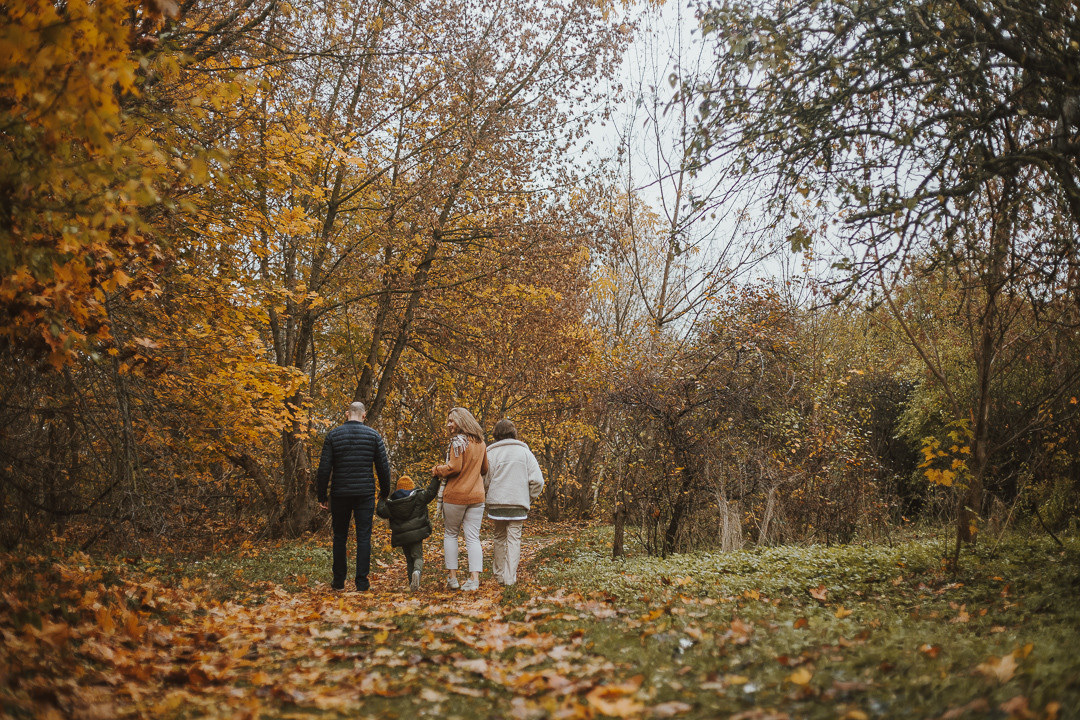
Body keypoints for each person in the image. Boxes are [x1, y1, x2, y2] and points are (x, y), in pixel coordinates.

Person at [315, 401, 391, 591]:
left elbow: (324, 468)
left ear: (347, 414)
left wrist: (322, 495)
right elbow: (383, 467)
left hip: (340, 493)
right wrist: (384, 491)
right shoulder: (373, 435)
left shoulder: (334, 435)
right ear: (364, 416)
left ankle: (339, 582)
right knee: (364, 536)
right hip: (365, 493)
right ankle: (362, 583)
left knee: (339, 536)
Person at [431, 407, 488, 591]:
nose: (448, 425)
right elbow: (485, 469)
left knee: (451, 534)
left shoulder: (458, 442)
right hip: (477, 496)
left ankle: (453, 578)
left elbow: (454, 467)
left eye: (451, 421)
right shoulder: (480, 442)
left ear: (461, 422)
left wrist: (438, 469)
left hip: (455, 496)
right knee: (473, 538)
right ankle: (474, 579)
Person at [484, 419, 545, 586]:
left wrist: (488, 493)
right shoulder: (525, 453)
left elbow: (485, 480)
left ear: (496, 434)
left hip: (497, 503)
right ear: (513, 433)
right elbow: (538, 481)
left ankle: (498, 575)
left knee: (499, 537)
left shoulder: (491, 454)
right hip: (518, 503)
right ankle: (510, 579)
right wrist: (529, 497)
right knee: (514, 539)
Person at [376, 474, 441, 591]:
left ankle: (412, 583)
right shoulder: (418, 497)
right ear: (411, 487)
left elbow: (381, 511)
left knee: (409, 559)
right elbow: (430, 493)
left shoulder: (392, 504)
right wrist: (435, 478)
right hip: (416, 535)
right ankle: (417, 572)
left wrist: (381, 498)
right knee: (417, 557)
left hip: (403, 537)